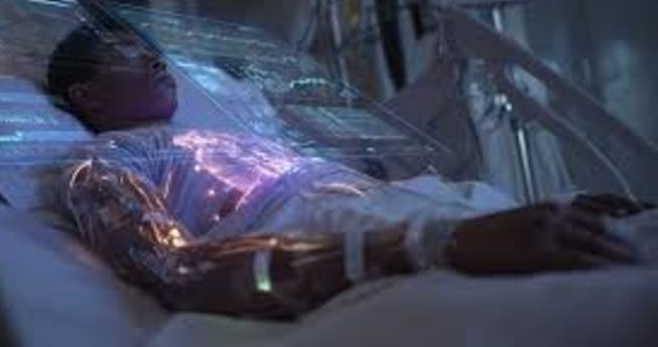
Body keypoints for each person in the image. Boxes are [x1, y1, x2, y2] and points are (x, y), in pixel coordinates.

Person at [48, 25, 653, 319]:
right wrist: (437, 242)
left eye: (154, 52)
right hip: (323, 234)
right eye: (128, 55)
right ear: (87, 95)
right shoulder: (105, 162)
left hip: (402, 202)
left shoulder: (237, 137)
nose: (157, 61)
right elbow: (181, 272)